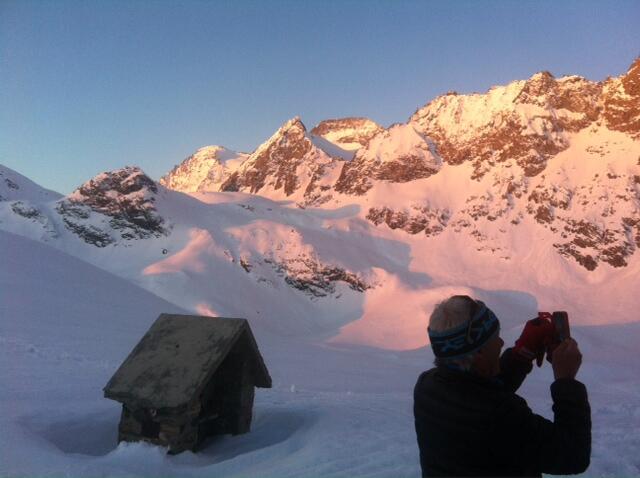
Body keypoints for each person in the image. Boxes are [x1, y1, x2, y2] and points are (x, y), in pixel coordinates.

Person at [414, 295, 591, 477]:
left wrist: (521, 353)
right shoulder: (501, 415)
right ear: (479, 354)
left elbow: (479, 392)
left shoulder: (427, 387)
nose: (501, 343)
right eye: (495, 338)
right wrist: (566, 381)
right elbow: (573, 455)